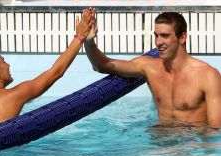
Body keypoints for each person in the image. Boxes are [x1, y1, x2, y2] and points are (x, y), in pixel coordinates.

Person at [84, 9, 221, 129]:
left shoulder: (208, 75)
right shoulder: (149, 67)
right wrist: (89, 41)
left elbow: (216, 127)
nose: (158, 42)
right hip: (158, 142)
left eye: (165, 36)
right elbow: (102, 65)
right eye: (156, 35)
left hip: (191, 147)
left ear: (182, 37)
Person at [0, 8, 95, 132]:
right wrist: (79, 37)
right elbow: (56, 73)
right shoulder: (14, 95)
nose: (8, 65)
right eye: (3, 61)